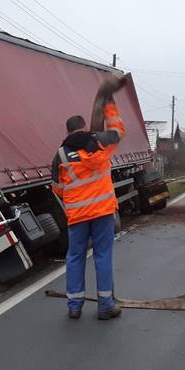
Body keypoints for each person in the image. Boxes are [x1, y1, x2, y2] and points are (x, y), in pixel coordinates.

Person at [51, 75, 126, 320]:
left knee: (74, 257)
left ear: (67, 130)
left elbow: (57, 190)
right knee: (102, 256)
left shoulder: (60, 155)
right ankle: (105, 306)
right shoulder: (99, 142)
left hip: (77, 216)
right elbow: (117, 130)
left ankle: (74, 307)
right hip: (103, 212)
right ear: (84, 127)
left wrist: (75, 197)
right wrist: (109, 101)